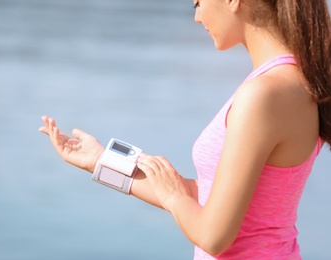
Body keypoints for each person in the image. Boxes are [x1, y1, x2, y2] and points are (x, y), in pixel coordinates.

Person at [39, 0, 331, 258]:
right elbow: (213, 201)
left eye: (197, 3)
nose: (197, 17)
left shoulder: (264, 94)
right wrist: (102, 162)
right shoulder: (295, 82)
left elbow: (214, 237)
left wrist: (174, 198)